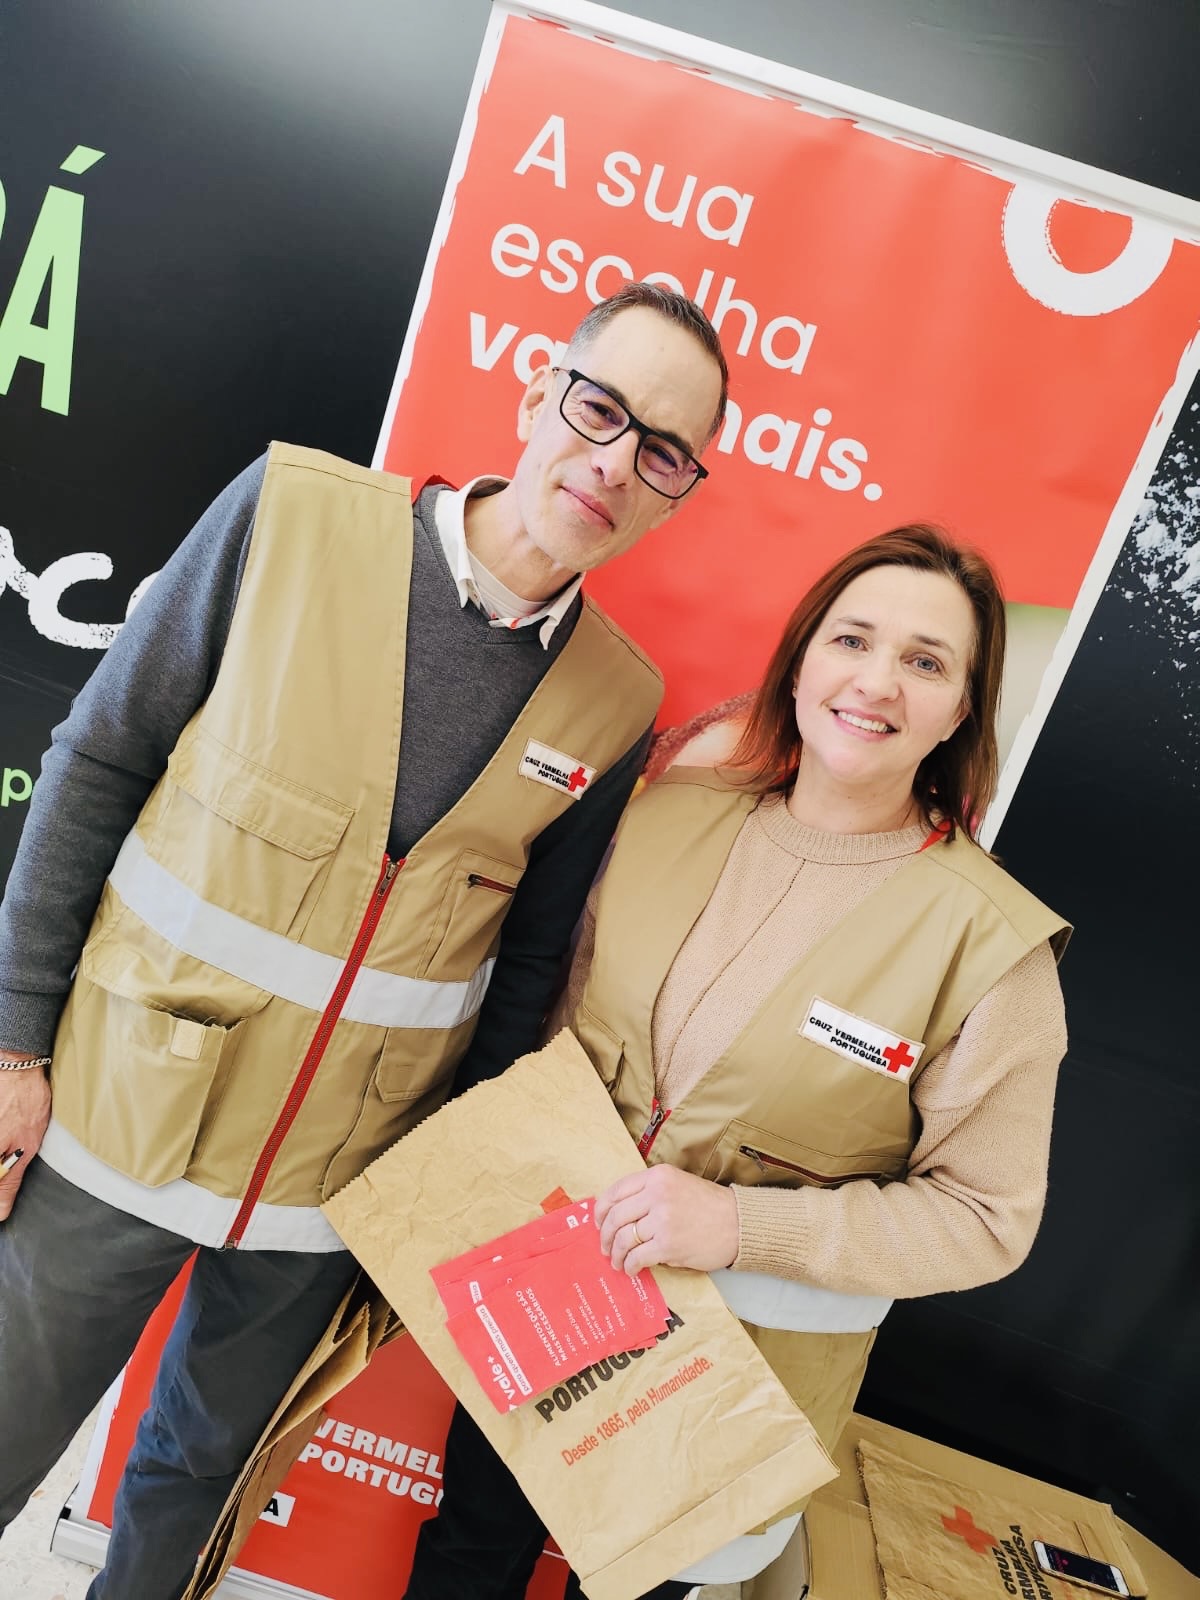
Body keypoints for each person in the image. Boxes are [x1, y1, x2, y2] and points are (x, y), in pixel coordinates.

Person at [0, 281, 728, 1600]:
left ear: (680, 495)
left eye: (665, 450)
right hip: (115, 1110)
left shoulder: (617, 701)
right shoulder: (292, 515)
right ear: (538, 392)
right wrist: (12, 1041)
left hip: (329, 1185)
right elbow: (99, 759)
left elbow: (524, 970)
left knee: (199, 1475)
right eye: (600, 410)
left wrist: (442, 1193)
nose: (617, 462)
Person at [404, 524, 1070, 1600]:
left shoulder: (992, 949)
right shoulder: (665, 815)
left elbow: (986, 1219)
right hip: (552, 1297)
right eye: (852, 639)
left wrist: (740, 1226)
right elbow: (561, 1020)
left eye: (925, 660)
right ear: (799, 662)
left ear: (960, 710)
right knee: (469, 1550)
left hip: (728, 1377)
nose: (876, 681)